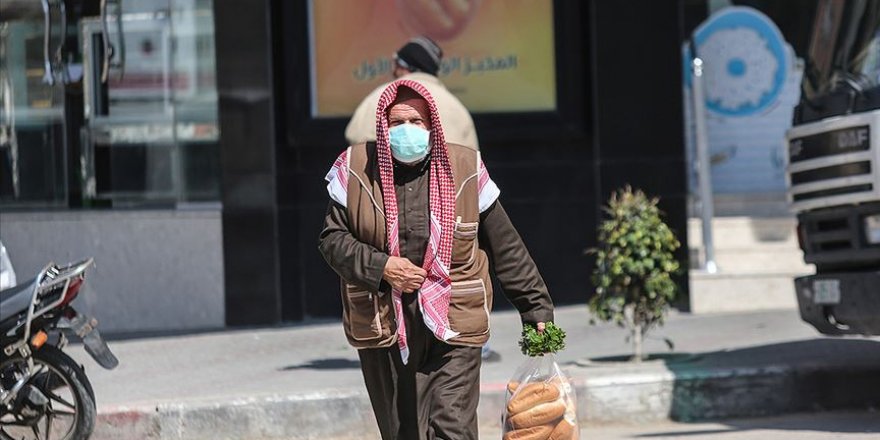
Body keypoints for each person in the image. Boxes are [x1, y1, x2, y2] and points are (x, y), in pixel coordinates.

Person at [319, 79, 554, 439]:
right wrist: (383, 267)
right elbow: (332, 240)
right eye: (397, 122)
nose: (407, 130)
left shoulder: (465, 168)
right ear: (382, 126)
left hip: (456, 318)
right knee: (404, 432)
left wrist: (535, 308)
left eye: (416, 121)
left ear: (432, 124)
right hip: (386, 325)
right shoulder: (355, 169)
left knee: (452, 427)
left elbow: (505, 245)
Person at [345, 36, 479, 150]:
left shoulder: (381, 96)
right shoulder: (455, 106)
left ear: (402, 65)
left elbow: (358, 142)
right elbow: (470, 158)